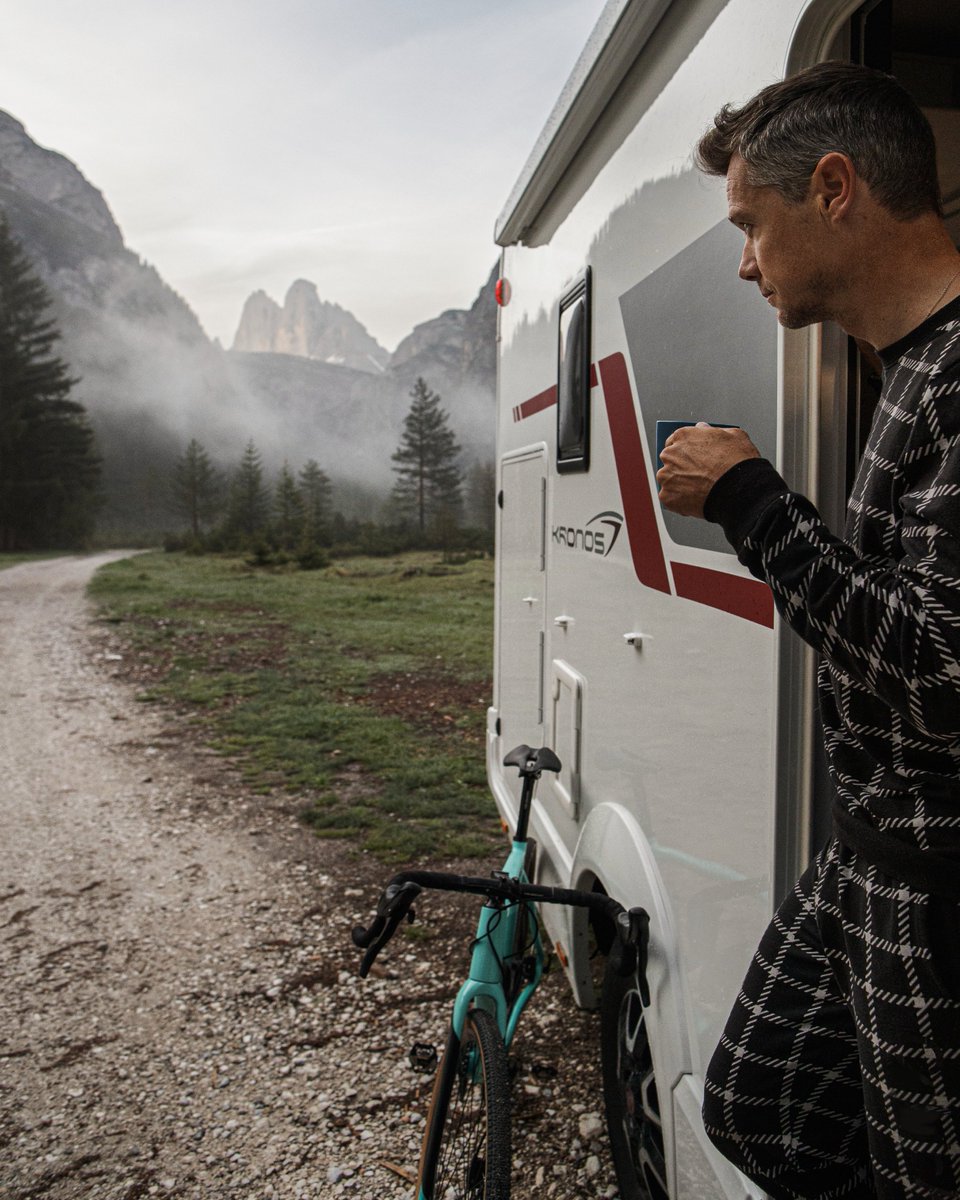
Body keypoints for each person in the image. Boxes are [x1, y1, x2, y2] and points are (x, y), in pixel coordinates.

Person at [657, 62, 960, 1199]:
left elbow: (940, 670)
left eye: (750, 224)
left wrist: (750, 498)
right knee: (759, 1102)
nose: (743, 260)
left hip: (933, 886)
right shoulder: (911, 367)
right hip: (870, 860)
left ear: (833, 188)